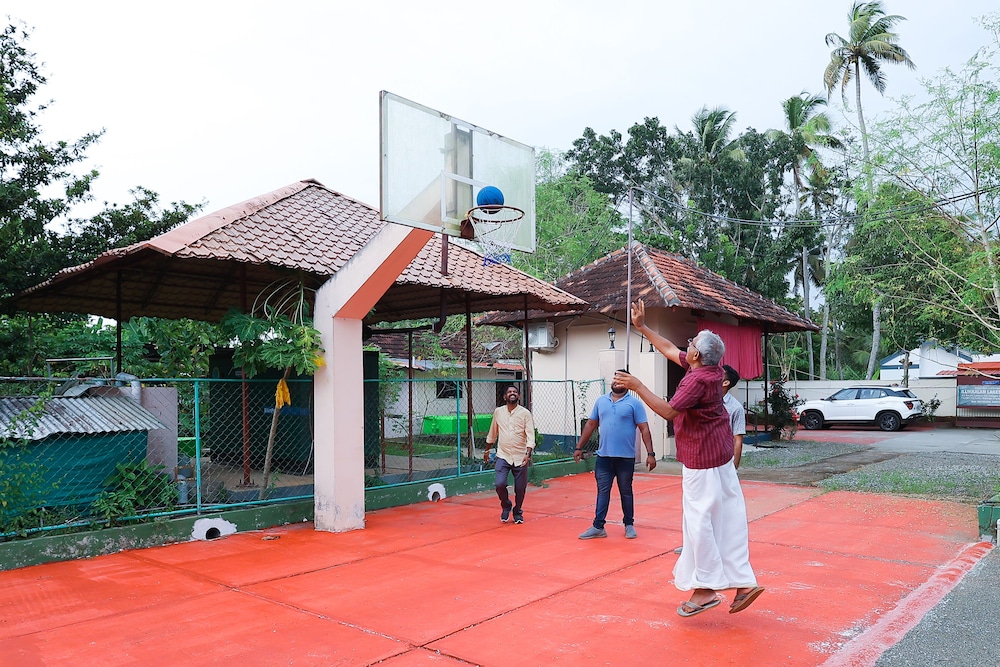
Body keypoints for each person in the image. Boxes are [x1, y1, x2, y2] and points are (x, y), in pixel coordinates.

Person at [614, 299, 764, 618]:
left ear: (696, 354)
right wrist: (641, 326)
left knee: (699, 526)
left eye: (692, 343)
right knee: (726, 522)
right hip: (720, 458)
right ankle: (743, 581)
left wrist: (637, 384)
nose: (688, 345)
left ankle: (706, 589)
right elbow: (669, 348)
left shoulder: (697, 380)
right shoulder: (711, 370)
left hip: (702, 462)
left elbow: (669, 411)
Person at [574, 371, 656, 540]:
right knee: (602, 491)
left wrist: (651, 453)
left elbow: (644, 429)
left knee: (626, 491)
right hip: (604, 457)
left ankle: (629, 524)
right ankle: (598, 527)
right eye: (615, 379)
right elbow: (591, 424)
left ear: (627, 383)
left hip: (625, 458)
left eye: (621, 380)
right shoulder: (601, 401)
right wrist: (579, 447)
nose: (617, 382)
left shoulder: (635, 404)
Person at [483, 385, 535, 524]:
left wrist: (528, 453)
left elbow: (531, 435)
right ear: (505, 397)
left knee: (520, 489)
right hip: (503, 455)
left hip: (520, 457)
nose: (512, 394)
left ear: (518, 396)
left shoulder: (525, 413)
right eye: (509, 392)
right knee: (500, 484)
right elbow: (492, 433)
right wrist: (487, 450)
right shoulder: (498, 412)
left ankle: (517, 512)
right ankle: (506, 506)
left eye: (515, 392)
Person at [722, 364, 746, 470]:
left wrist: (734, 468)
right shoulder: (704, 399)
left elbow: (738, 439)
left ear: (725, 383)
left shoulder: (736, 408)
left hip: (723, 461)